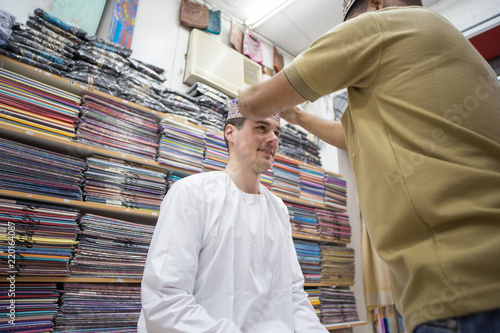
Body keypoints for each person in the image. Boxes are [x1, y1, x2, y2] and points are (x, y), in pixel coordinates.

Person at [237, 0, 500, 332]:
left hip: (460, 290)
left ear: (376, 4)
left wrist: (245, 97)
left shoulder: (377, 24)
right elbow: (354, 135)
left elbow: (257, 102)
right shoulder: (453, 46)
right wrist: (298, 116)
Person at [137, 100, 328, 332]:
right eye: (261, 128)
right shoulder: (192, 194)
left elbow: (293, 294)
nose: (273, 139)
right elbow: (165, 299)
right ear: (230, 132)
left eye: (276, 132)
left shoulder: (278, 209)